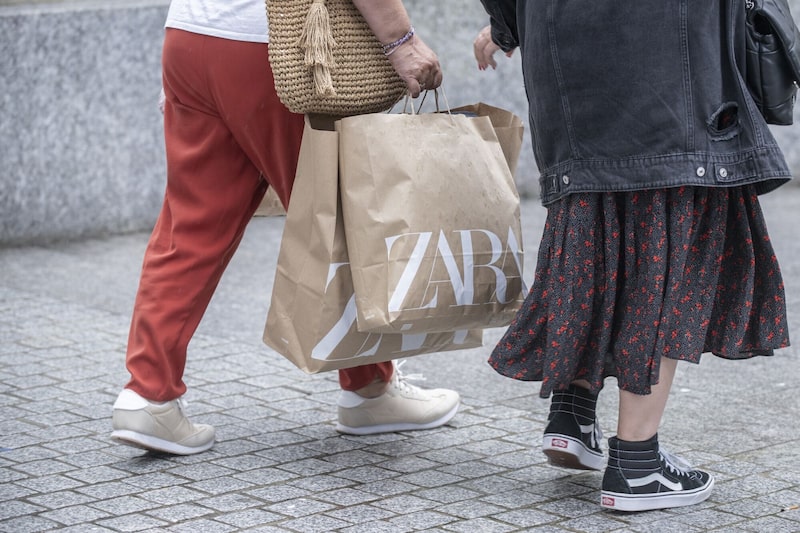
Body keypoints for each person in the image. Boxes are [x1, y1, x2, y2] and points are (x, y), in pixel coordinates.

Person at [474, 1, 791, 512]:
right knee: (665, 252)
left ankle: (573, 415)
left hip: (565, 53)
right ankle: (637, 465)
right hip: (667, 53)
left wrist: (508, 23)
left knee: (589, 236)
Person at [110, 0, 458, 456]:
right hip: (280, 48)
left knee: (190, 225)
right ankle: (371, 391)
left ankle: (147, 393)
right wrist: (401, 40)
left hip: (191, 37)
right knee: (341, 219)